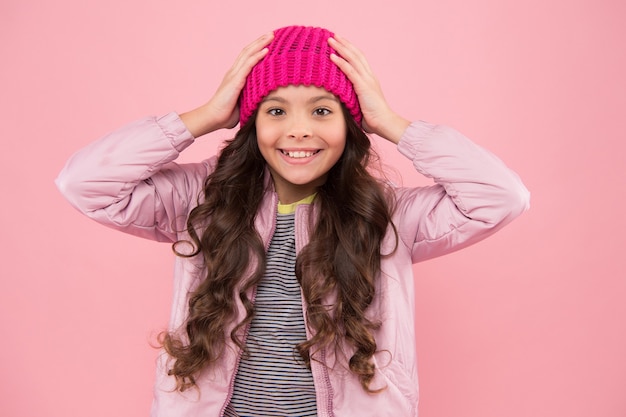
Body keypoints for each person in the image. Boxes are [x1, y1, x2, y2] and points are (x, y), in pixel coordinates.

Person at [56, 25, 529, 417]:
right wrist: (204, 116)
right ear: (252, 122)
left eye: (322, 111)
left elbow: (501, 197)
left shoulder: (388, 216)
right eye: (276, 110)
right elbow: (84, 182)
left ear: (350, 123)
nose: (298, 129)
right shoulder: (200, 199)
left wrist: (389, 121)